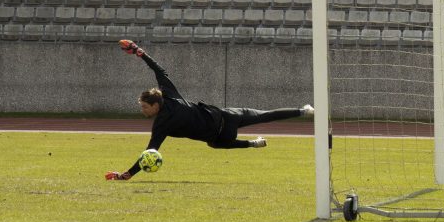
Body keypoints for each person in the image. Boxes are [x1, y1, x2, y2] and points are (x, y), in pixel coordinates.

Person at [105, 40, 313, 180]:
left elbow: (149, 153)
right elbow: (159, 70)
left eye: (144, 107)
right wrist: (139, 52)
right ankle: (304, 111)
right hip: (226, 116)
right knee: (265, 115)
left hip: (221, 136)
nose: (143, 111)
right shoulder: (169, 93)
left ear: (155, 105)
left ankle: (252, 144)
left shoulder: (161, 124)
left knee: (214, 144)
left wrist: (126, 175)